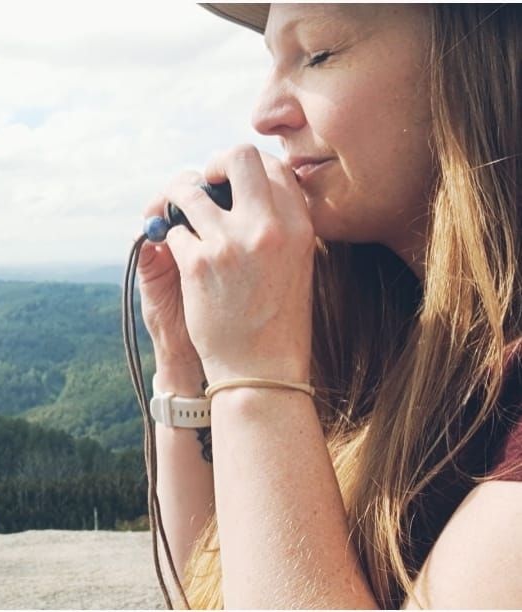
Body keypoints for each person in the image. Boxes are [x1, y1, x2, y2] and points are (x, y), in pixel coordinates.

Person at [137, 4, 521, 608]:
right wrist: (184, 362)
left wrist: (253, 376)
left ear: (484, 63)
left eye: (317, 54)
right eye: (272, 63)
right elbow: (215, 590)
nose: (265, 115)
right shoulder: (390, 332)